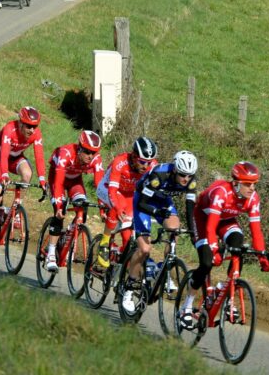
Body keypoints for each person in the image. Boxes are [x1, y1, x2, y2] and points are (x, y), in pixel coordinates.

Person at [179, 161, 269, 328]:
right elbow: (210, 227)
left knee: (238, 245)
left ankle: (227, 293)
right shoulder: (221, 192)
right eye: (247, 184)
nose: (252, 188)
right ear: (236, 183)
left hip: (226, 220)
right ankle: (187, 306)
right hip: (203, 219)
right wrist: (214, 249)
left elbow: (256, 231)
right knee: (207, 262)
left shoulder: (253, 198)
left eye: (254, 184)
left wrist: (262, 256)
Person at [120, 150, 199, 313]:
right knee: (144, 249)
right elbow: (142, 204)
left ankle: (163, 270)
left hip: (163, 201)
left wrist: (194, 234)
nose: (186, 179)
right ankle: (129, 288)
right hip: (143, 200)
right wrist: (156, 212)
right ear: (175, 170)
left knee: (175, 230)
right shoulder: (159, 176)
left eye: (189, 175)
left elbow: (190, 210)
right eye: (182, 174)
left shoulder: (191, 181)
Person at [0, 107, 46, 258]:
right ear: (20, 123)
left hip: (15, 158)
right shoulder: (9, 129)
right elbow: (3, 154)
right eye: (28, 126)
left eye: (34, 126)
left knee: (27, 174)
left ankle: (15, 209)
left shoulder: (36, 134)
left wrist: (42, 179)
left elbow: (39, 157)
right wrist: (4, 174)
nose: (31, 130)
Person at [94, 136, 159, 268]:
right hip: (107, 188)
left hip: (128, 193)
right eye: (142, 162)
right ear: (134, 156)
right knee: (119, 205)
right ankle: (104, 243)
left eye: (148, 162)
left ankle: (123, 265)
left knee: (128, 235)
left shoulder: (152, 166)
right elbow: (112, 191)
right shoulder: (120, 162)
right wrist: (118, 209)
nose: (145, 166)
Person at [43, 130, 103, 271]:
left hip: (75, 181)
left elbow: (99, 185)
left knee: (83, 208)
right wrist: (59, 205)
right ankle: (50, 253)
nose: (90, 156)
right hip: (57, 179)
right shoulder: (66, 153)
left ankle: (68, 235)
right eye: (87, 152)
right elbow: (58, 182)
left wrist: (102, 208)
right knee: (60, 212)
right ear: (79, 148)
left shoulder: (96, 159)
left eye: (93, 153)